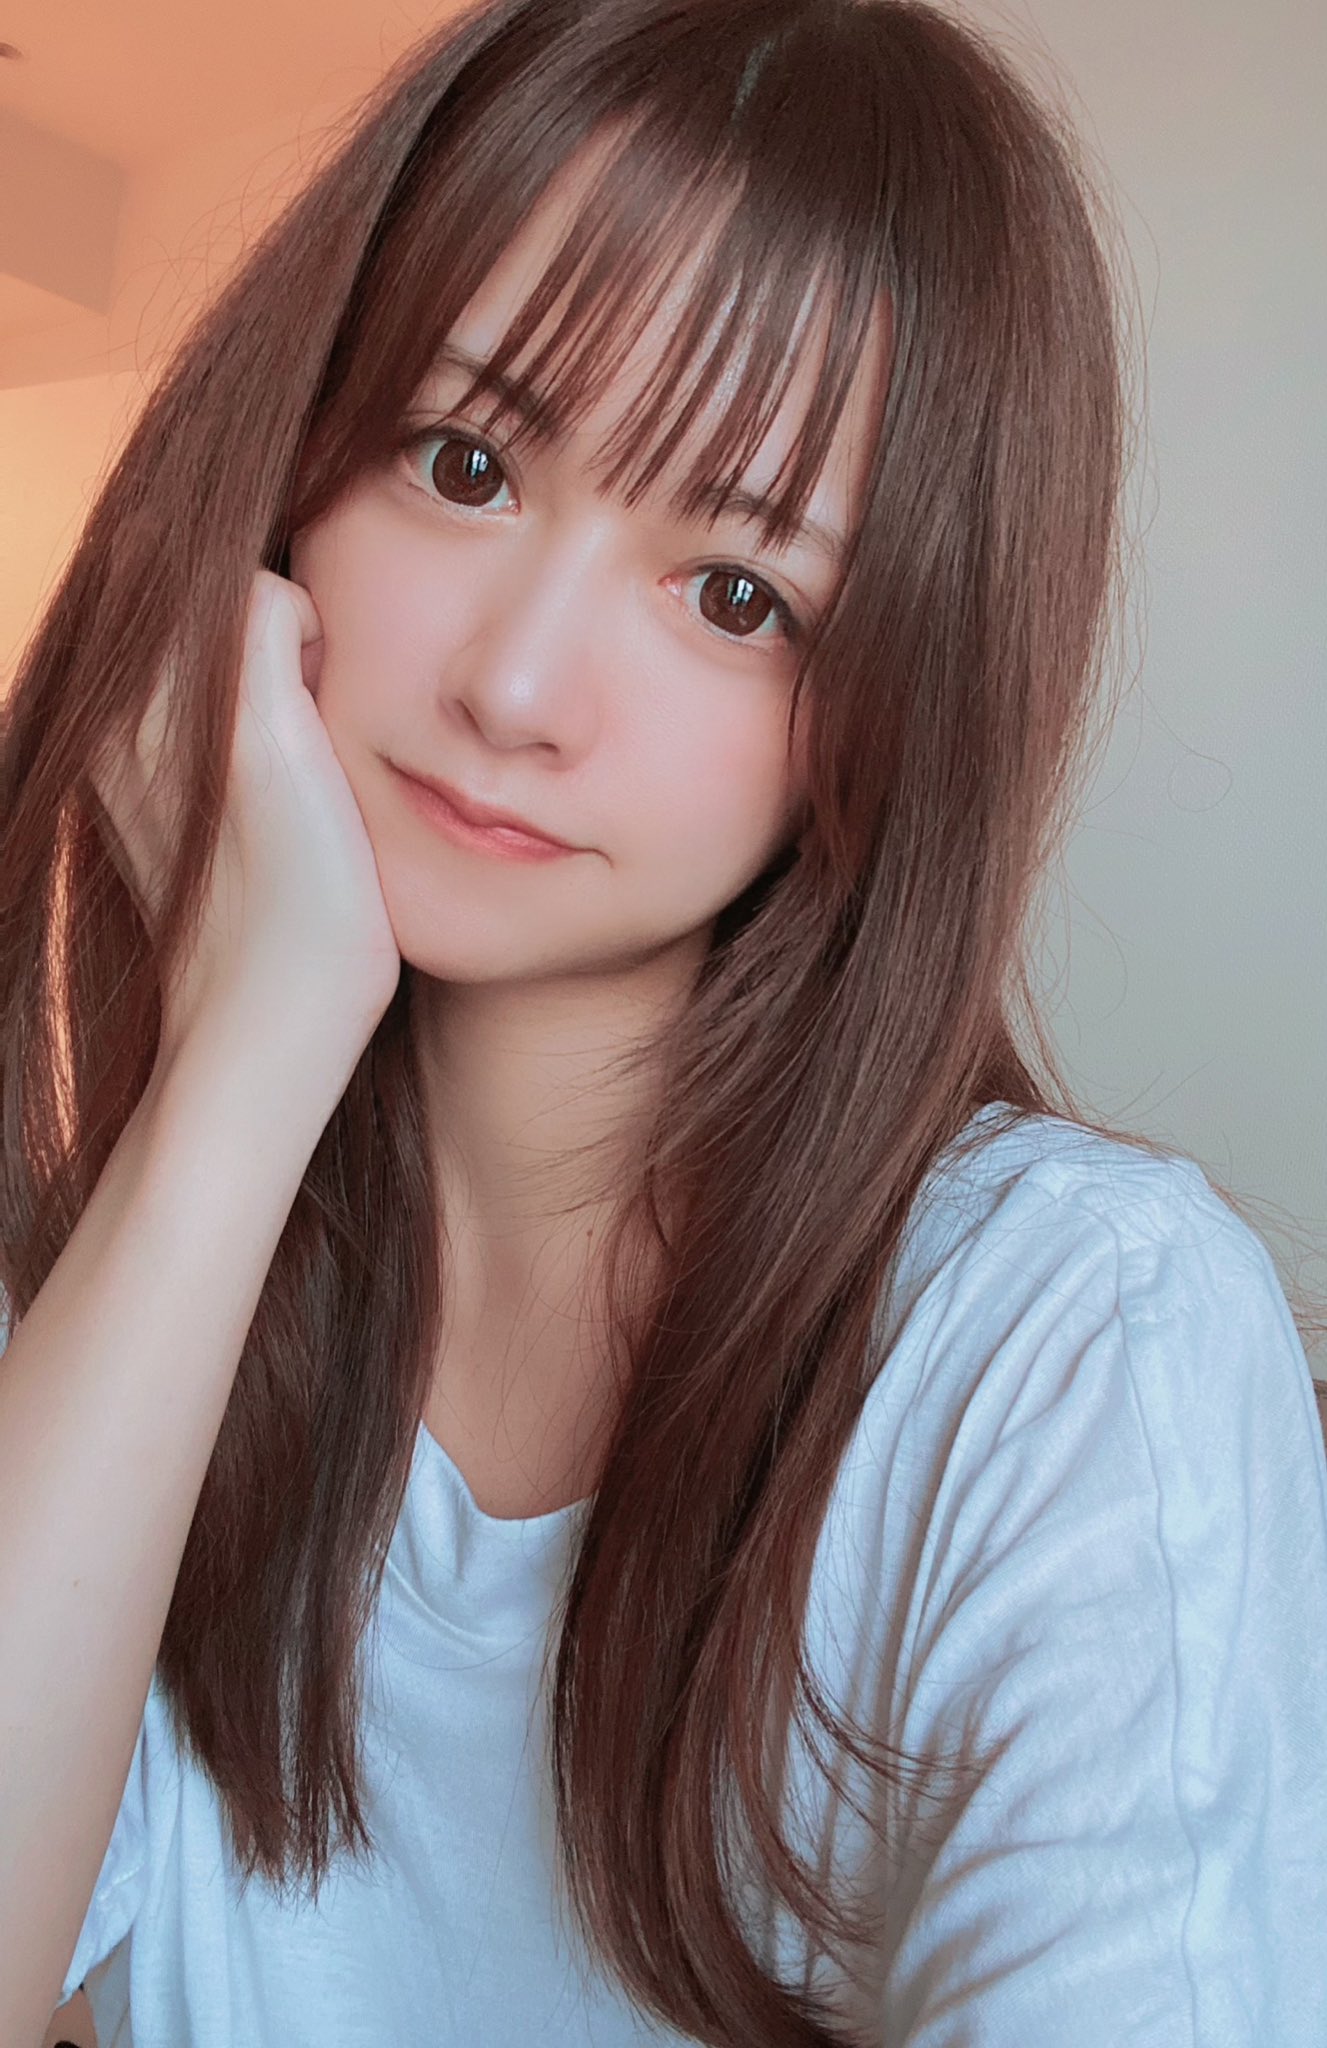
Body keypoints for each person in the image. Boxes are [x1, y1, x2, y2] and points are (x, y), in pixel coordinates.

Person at [2, 0, 1324, 2041]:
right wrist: (236, 1073)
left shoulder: (1069, 1345)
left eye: (735, 594)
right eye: (463, 463)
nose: (517, 686)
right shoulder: (124, 1306)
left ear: (888, 715)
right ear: (288, 477)